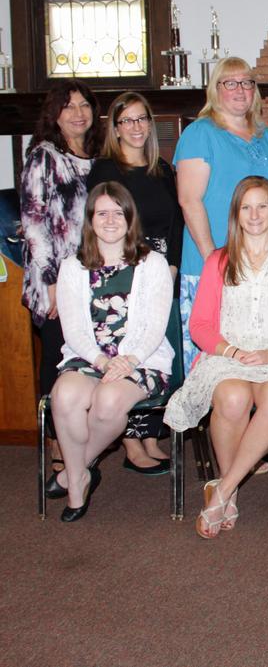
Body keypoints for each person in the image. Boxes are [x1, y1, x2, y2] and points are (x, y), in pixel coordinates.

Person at [164, 177, 268, 539]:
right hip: (226, 354)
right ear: (235, 214)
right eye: (246, 207)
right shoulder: (219, 260)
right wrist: (231, 350)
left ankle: (221, 490)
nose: (254, 214)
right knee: (232, 397)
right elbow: (200, 324)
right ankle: (227, 496)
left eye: (262, 206)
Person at [45, 182, 173, 521]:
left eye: (119, 213)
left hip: (143, 360)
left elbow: (155, 326)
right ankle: (78, 483)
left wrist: (128, 360)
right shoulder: (72, 267)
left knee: (108, 401)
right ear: (91, 220)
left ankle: (74, 472)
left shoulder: (153, 263)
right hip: (88, 357)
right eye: (103, 213)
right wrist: (101, 361)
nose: (111, 220)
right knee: (65, 395)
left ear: (130, 219)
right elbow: (72, 328)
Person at [87, 92, 183, 475]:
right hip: (123, 275)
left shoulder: (162, 169)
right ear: (115, 128)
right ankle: (131, 443)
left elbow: (176, 224)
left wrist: (173, 267)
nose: (136, 127)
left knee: (155, 346)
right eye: (126, 121)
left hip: (159, 272)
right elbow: (98, 225)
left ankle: (149, 437)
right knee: (126, 346)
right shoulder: (105, 170)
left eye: (142, 119)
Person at [174, 57, 268, 372]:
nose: (240, 89)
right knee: (214, 361)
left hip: (257, 264)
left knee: (254, 358)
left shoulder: (263, 134)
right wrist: (212, 262)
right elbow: (189, 199)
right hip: (213, 260)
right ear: (215, 89)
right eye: (230, 83)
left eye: (247, 82)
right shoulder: (200, 133)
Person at [20, 80, 102, 477]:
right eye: (68, 106)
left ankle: (84, 441)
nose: (78, 113)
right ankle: (57, 447)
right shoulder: (44, 156)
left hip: (91, 280)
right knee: (55, 363)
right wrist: (52, 282)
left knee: (85, 360)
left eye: (84, 105)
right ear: (54, 114)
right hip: (56, 281)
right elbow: (34, 223)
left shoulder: (96, 157)